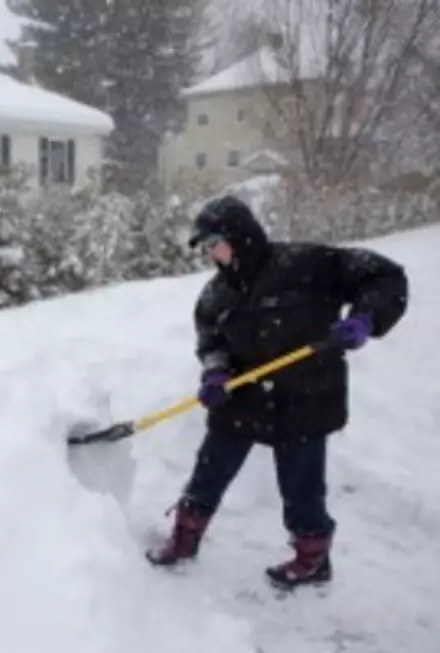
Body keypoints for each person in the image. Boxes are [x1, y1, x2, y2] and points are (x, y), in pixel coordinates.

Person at [146, 195, 408, 589]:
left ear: (240, 237)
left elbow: (384, 276)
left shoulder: (307, 264)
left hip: (305, 396)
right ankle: (185, 537)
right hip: (243, 396)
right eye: (206, 247)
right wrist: (216, 374)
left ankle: (312, 558)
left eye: (214, 243)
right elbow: (211, 341)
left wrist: (365, 317)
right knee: (209, 472)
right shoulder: (216, 295)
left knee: (301, 488)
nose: (210, 254)